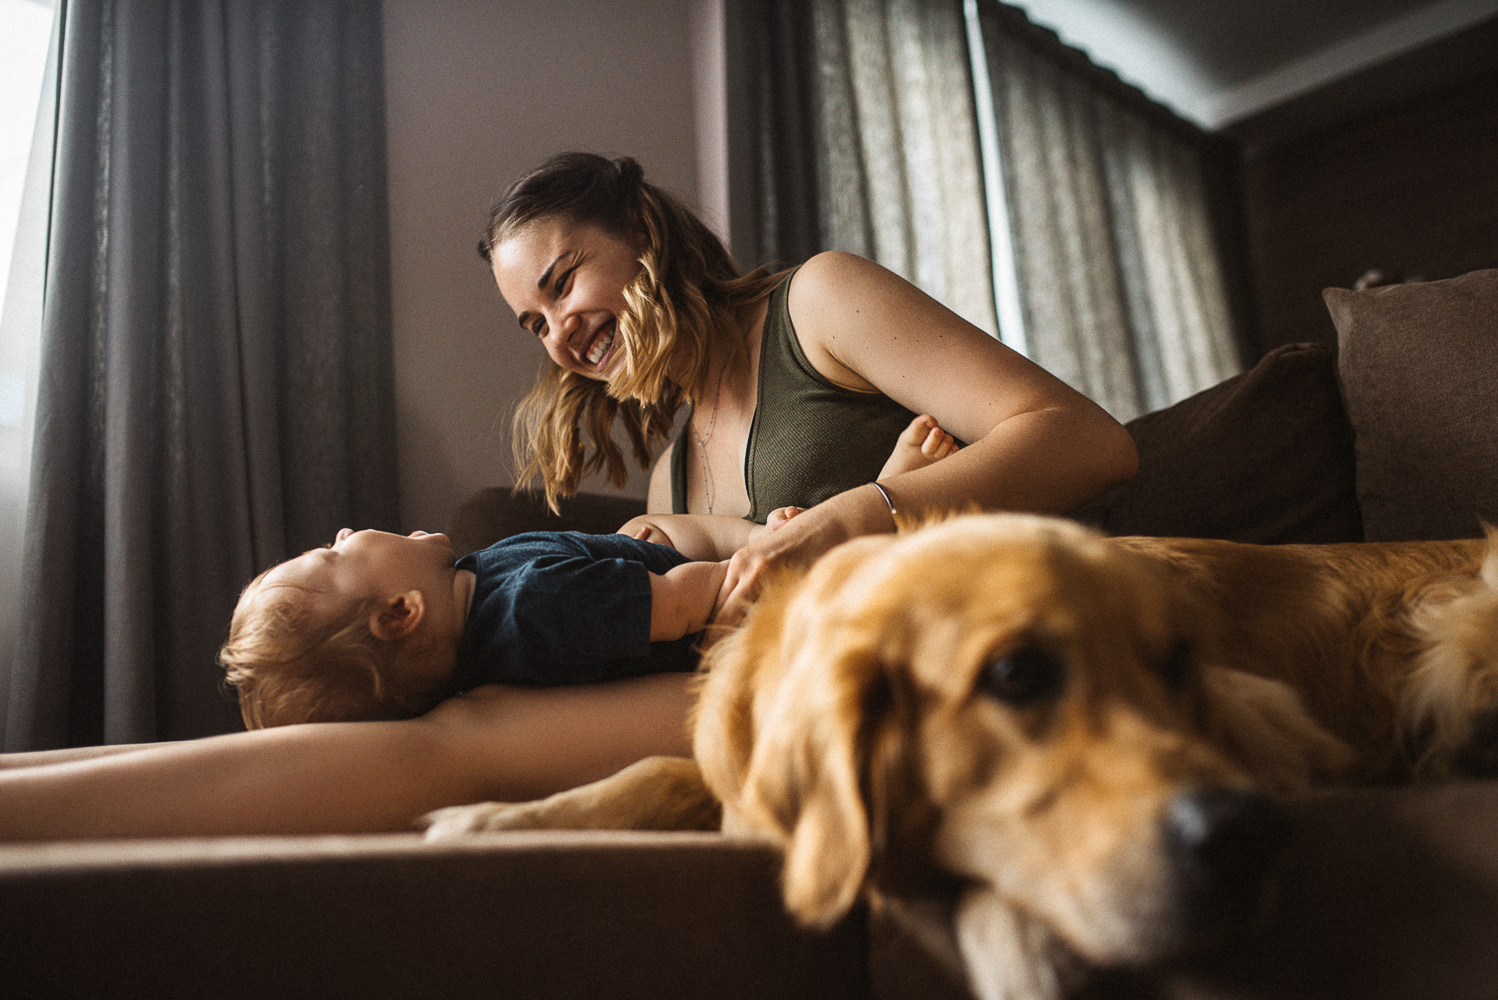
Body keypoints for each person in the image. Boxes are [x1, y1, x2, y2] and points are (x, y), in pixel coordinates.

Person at [484, 152, 1136, 626]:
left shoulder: (819, 302)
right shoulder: (668, 483)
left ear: (641, 230)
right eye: (535, 324)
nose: (559, 336)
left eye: (562, 282)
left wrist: (850, 519)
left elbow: (1088, 441)